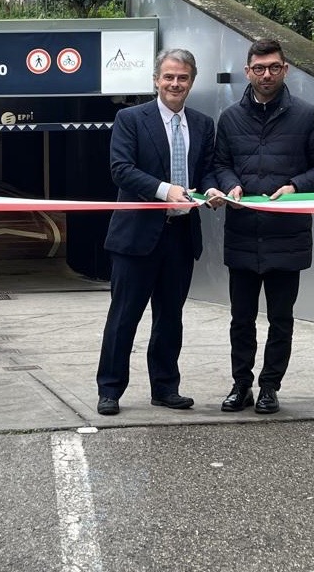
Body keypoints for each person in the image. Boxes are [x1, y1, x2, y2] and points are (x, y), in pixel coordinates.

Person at [204, 39, 314, 415]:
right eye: (259, 68)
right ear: (247, 71)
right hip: (243, 233)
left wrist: (297, 186)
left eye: (274, 67)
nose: (267, 74)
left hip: (288, 236)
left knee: (281, 319)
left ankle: (270, 387)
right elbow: (220, 163)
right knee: (241, 319)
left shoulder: (307, 116)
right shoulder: (230, 117)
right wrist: (230, 182)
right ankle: (241, 385)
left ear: (286, 70)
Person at [95, 48, 215, 415]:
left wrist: (212, 189)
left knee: (170, 317)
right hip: (136, 237)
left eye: (182, 78)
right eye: (168, 77)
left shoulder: (203, 124)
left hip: (181, 235)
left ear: (192, 81)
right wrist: (165, 189)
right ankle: (110, 390)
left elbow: (207, 170)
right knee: (124, 317)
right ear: (156, 79)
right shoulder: (130, 118)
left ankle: (165, 387)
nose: (175, 84)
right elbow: (121, 169)